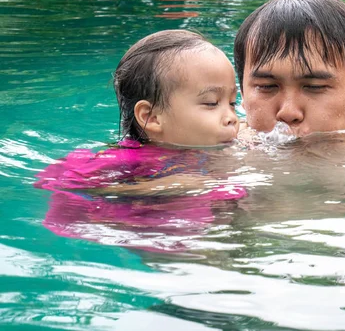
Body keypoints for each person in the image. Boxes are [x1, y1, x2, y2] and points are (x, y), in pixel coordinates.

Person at [35, 30, 246, 251]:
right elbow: (65, 184)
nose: (231, 118)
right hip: (148, 235)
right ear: (151, 117)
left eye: (232, 103)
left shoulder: (219, 151)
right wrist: (163, 186)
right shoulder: (127, 159)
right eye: (212, 103)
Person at [234, 0, 345, 137]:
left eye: (315, 87)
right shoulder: (219, 149)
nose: (288, 113)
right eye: (266, 86)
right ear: (242, 93)